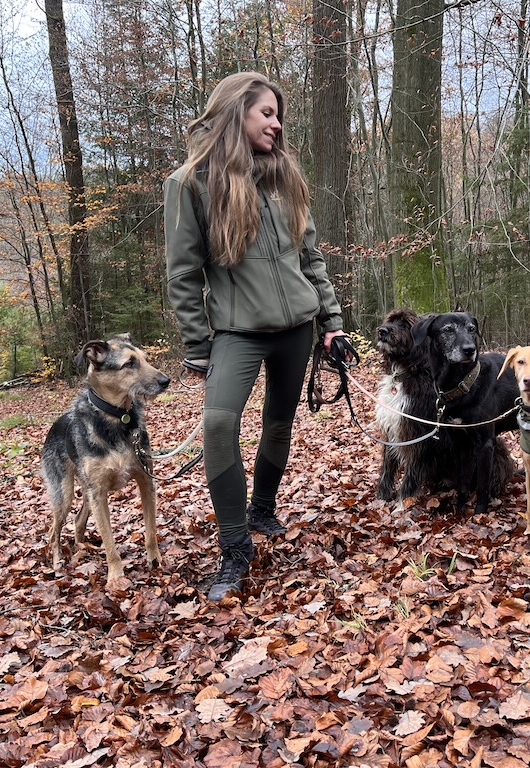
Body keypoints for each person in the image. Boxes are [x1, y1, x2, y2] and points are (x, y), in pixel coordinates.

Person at [164, 71, 350, 601]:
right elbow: (183, 273)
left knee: (279, 423)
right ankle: (234, 546)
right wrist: (197, 346)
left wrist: (332, 324)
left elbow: (309, 255)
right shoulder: (190, 183)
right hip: (236, 333)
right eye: (266, 113)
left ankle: (262, 510)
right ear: (235, 112)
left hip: (297, 329)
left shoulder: (282, 174)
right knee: (219, 425)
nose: (277, 124)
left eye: (278, 114)